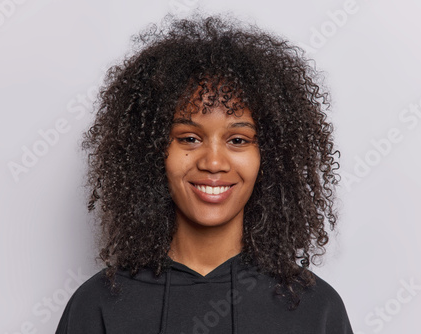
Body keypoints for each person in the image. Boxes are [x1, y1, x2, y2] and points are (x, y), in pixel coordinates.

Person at [56, 13, 353, 334]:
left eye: (238, 140)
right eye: (189, 138)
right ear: (153, 151)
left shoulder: (313, 307)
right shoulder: (99, 305)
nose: (213, 162)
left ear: (270, 156)